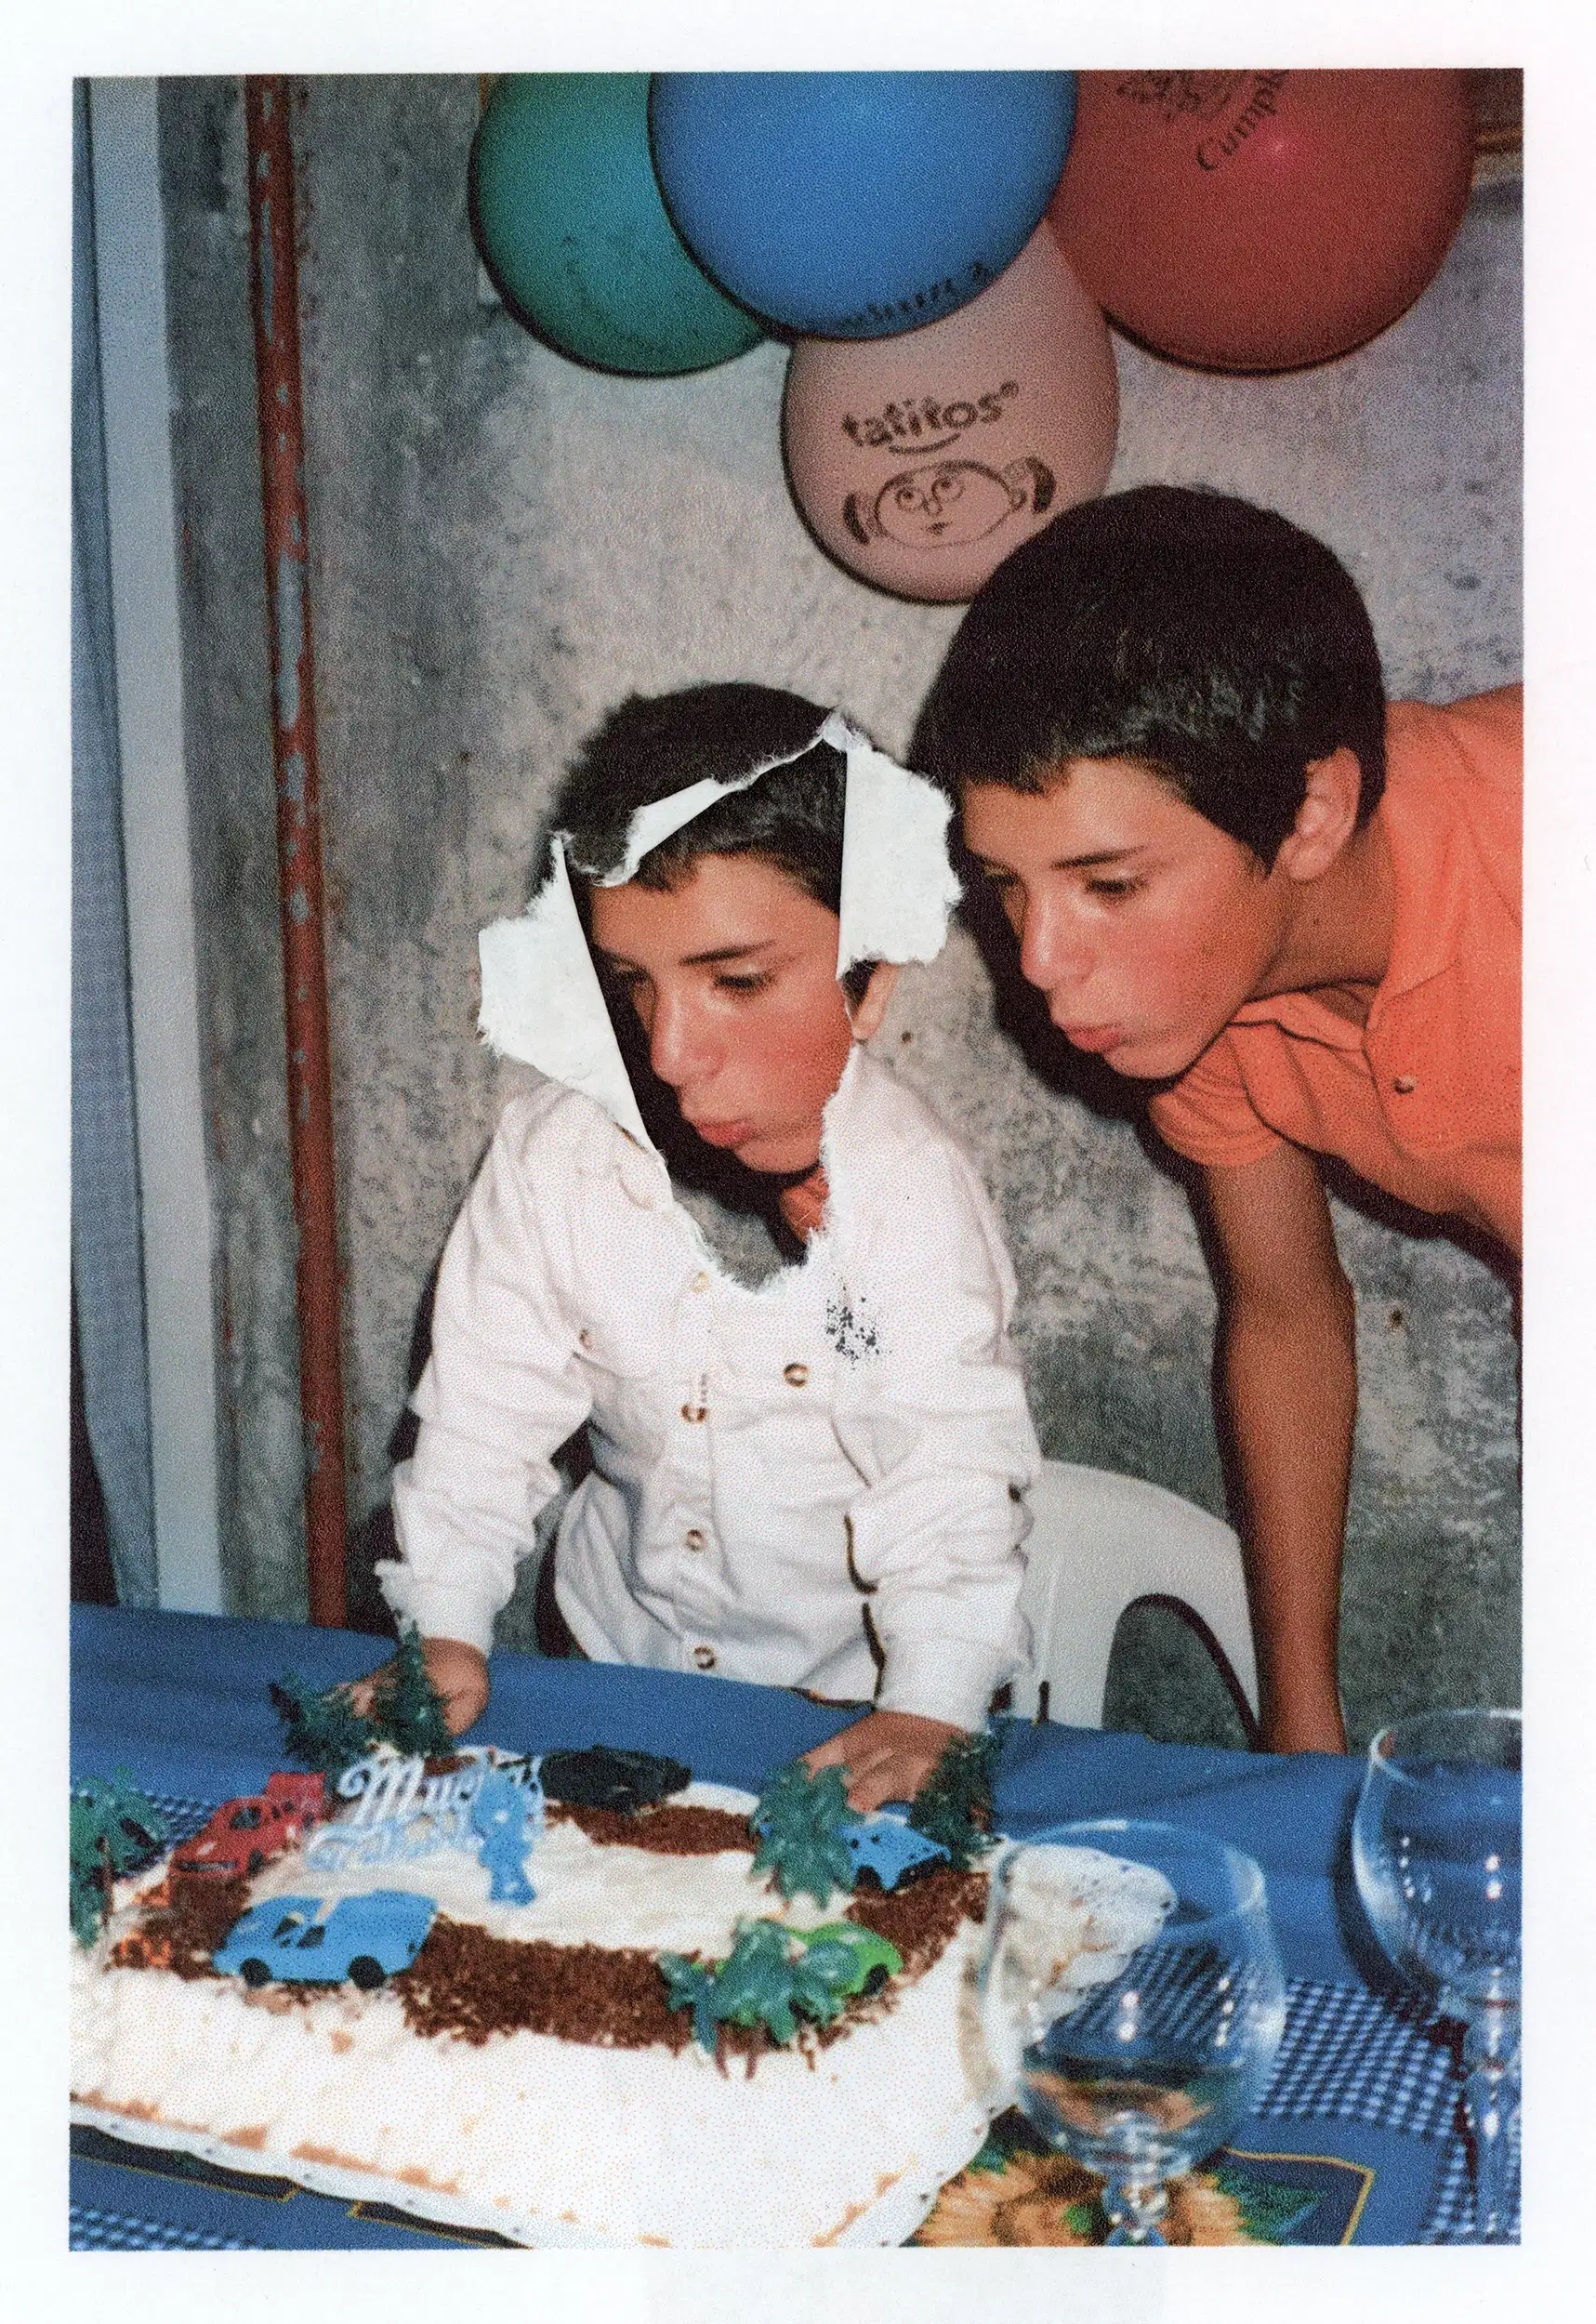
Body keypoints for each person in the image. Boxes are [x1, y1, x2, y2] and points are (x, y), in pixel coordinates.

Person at [916, 484, 1520, 1756]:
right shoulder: (1195, 991)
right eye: (1005, 885)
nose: (1041, 964)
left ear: (1310, 815)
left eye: (1108, 883)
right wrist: (1297, 1730)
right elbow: (1286, 1311)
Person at [363, 683, 1039, 1808]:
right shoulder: (554, 1156)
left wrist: (930, 1700)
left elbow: (947, 1474)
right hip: (613, 1676)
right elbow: (482, 1418)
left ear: (870, 975)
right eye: (634, 984)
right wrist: (442, 1622)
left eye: (735, 981)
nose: (671, 1051)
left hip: (852, 1711)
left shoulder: (908, 1195)